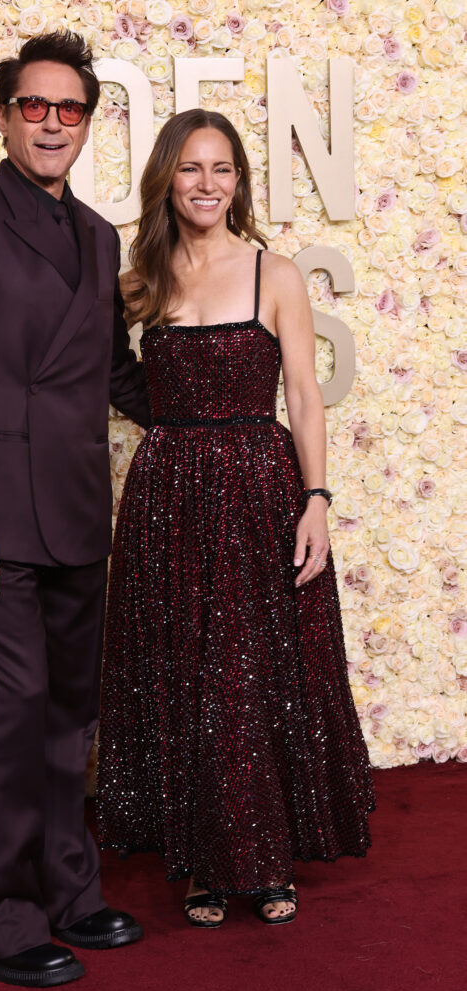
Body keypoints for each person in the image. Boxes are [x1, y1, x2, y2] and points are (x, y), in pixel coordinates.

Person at [0, 31, 149, 988]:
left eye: (71, 110)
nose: (52, 124)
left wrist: (214, 411)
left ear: (88, 123)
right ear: (5, 115)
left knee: (66, 718)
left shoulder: (97, 234)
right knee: (9, 715)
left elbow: (114, 373)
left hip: (81, 508)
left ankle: (68, 892)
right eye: (33, 107)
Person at [97, 109, 374, 929]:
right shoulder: (139, 280)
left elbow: (302, 397)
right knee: (186, 673)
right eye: (189, 169)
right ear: (166, 180)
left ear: (239, 182)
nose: (206, 184)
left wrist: (316, 500)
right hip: (170, 495)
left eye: (221, 169)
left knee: (253, 676)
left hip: (261, 488)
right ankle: (204, 865)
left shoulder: (274, 272)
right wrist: (176, 437)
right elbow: (111, 376)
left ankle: (264, 858)